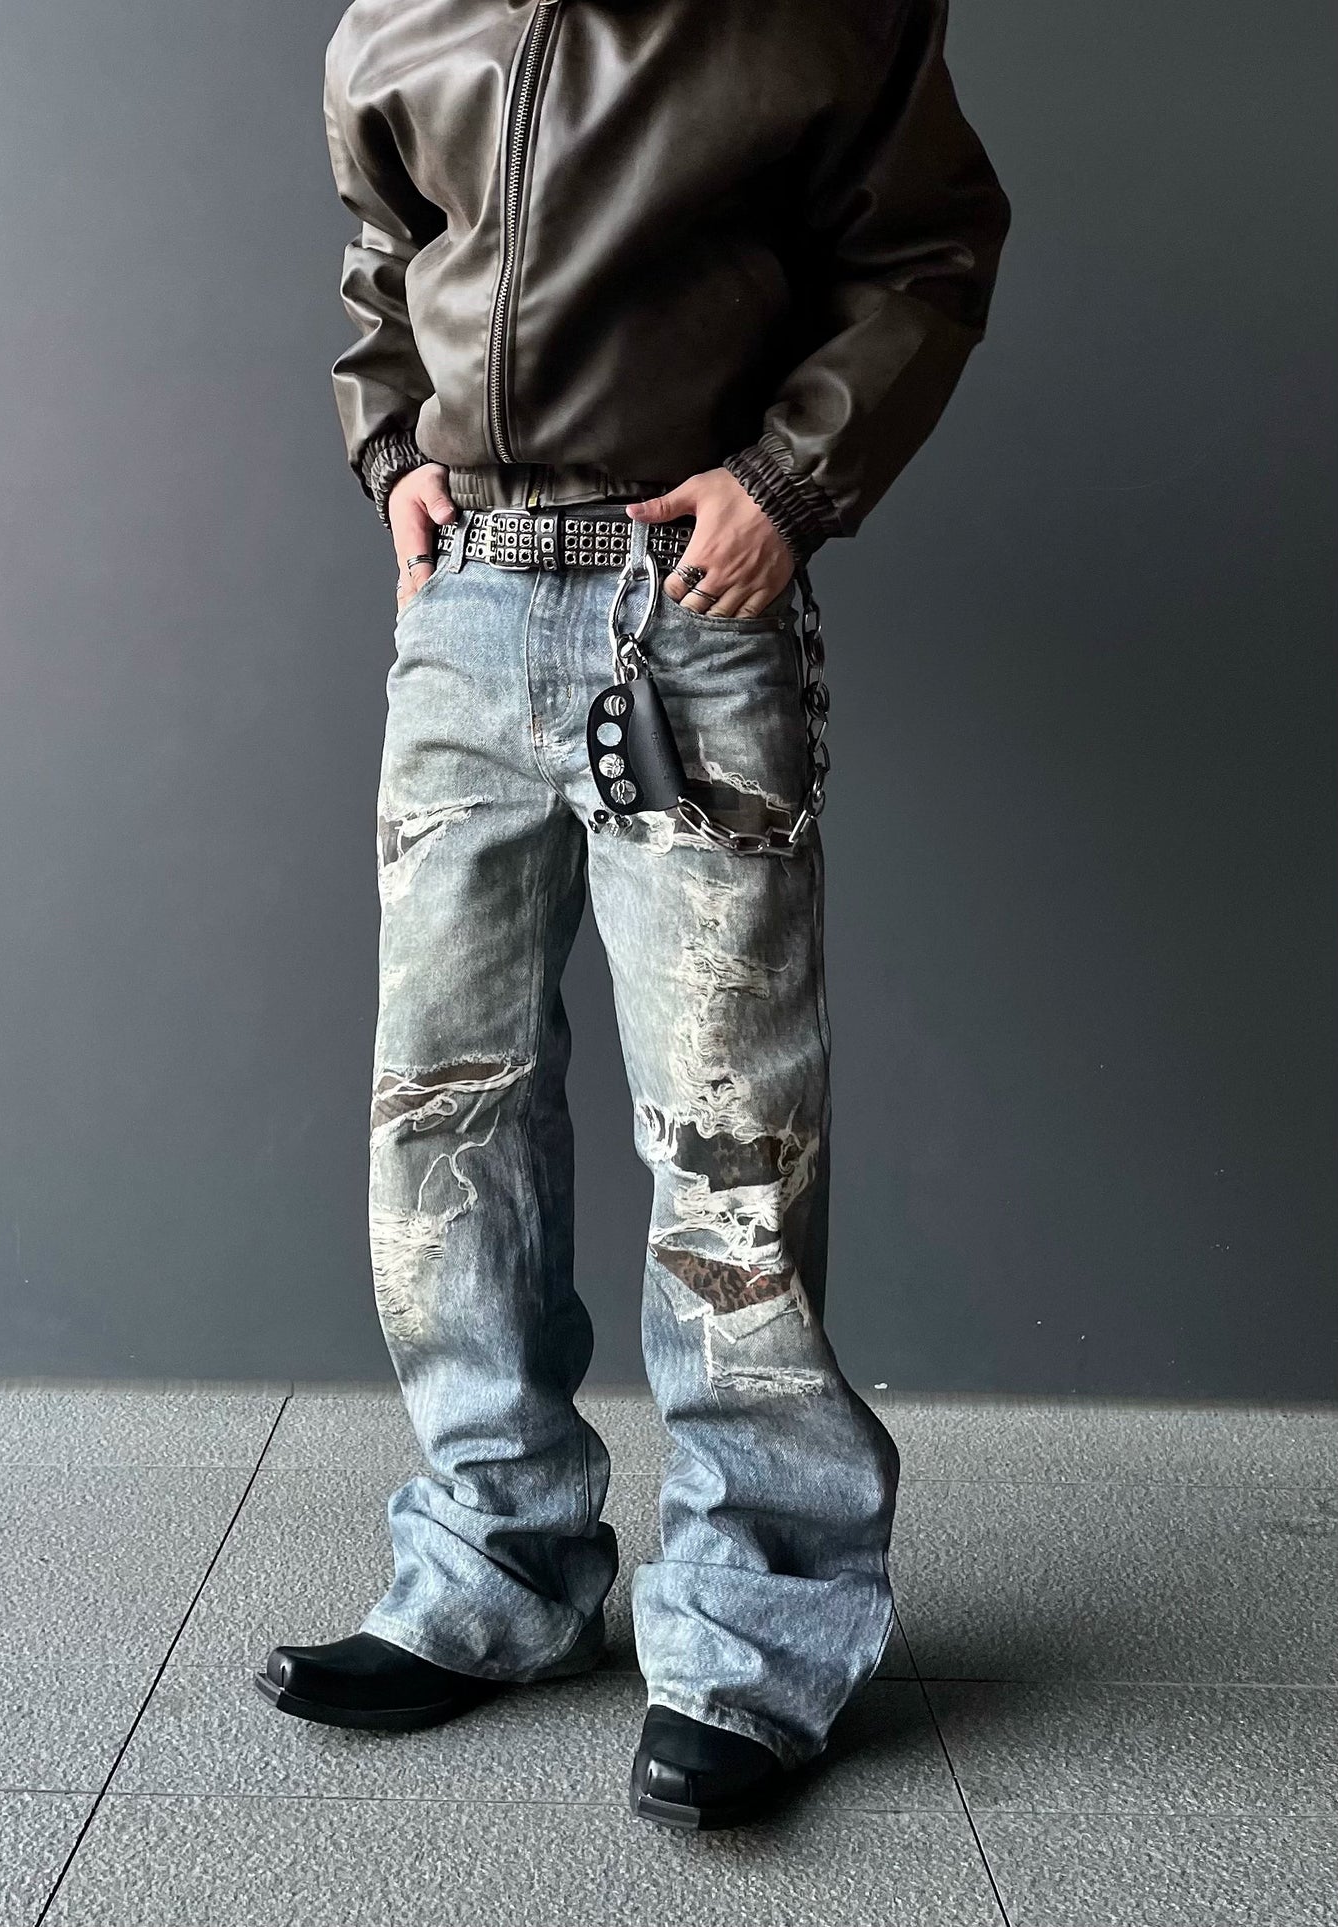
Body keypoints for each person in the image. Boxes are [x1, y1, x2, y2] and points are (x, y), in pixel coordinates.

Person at [254, 0, 1008, 1831]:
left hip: (690, 612)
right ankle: (491, 1577)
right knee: (444, 1120)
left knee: (726, 1142)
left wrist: (788, 485)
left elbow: (925, 251)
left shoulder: (818, 13)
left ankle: (754, 1637)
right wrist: (391, 452)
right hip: (465, 605)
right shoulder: (397, 19)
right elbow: (384, 264)